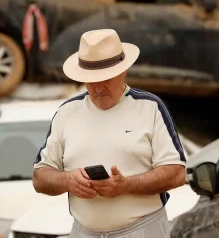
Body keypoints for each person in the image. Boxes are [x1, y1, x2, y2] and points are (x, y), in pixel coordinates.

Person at [33, 29, 186, 238]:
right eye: (90, 79)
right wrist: (68, 180)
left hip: (143, 230)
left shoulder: (150, 107)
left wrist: (125, 185)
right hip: (83, 232)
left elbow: (176, 173)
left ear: (123, 71)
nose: (98, 87)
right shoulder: (66, 113)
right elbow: (40, 178)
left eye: (105, 78)